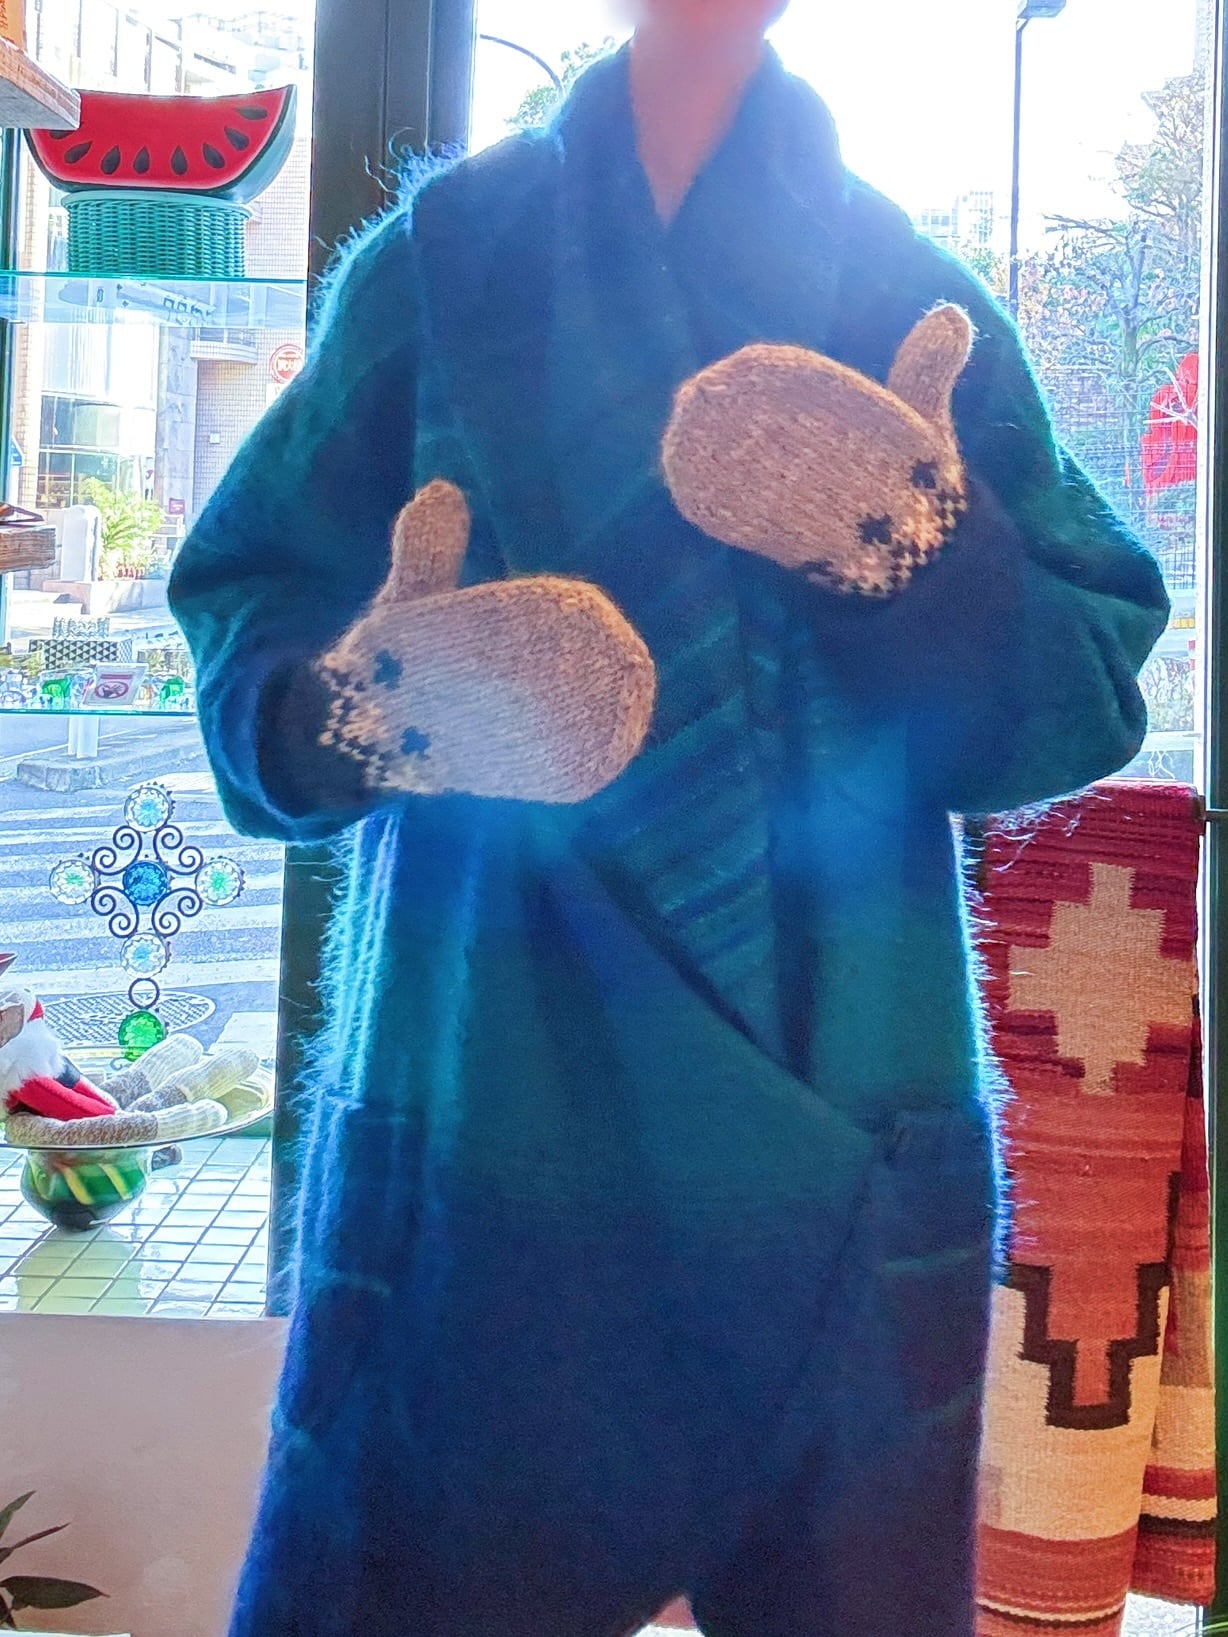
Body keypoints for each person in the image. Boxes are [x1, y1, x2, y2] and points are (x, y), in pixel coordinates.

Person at [168, 1, 1170, 1632]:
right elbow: (244, 611)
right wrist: (359, 709)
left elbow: (1083, 684)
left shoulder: (901, 293)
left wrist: (923, 551)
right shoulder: (442, 269)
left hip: (832, 1106)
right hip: (491, 1103)